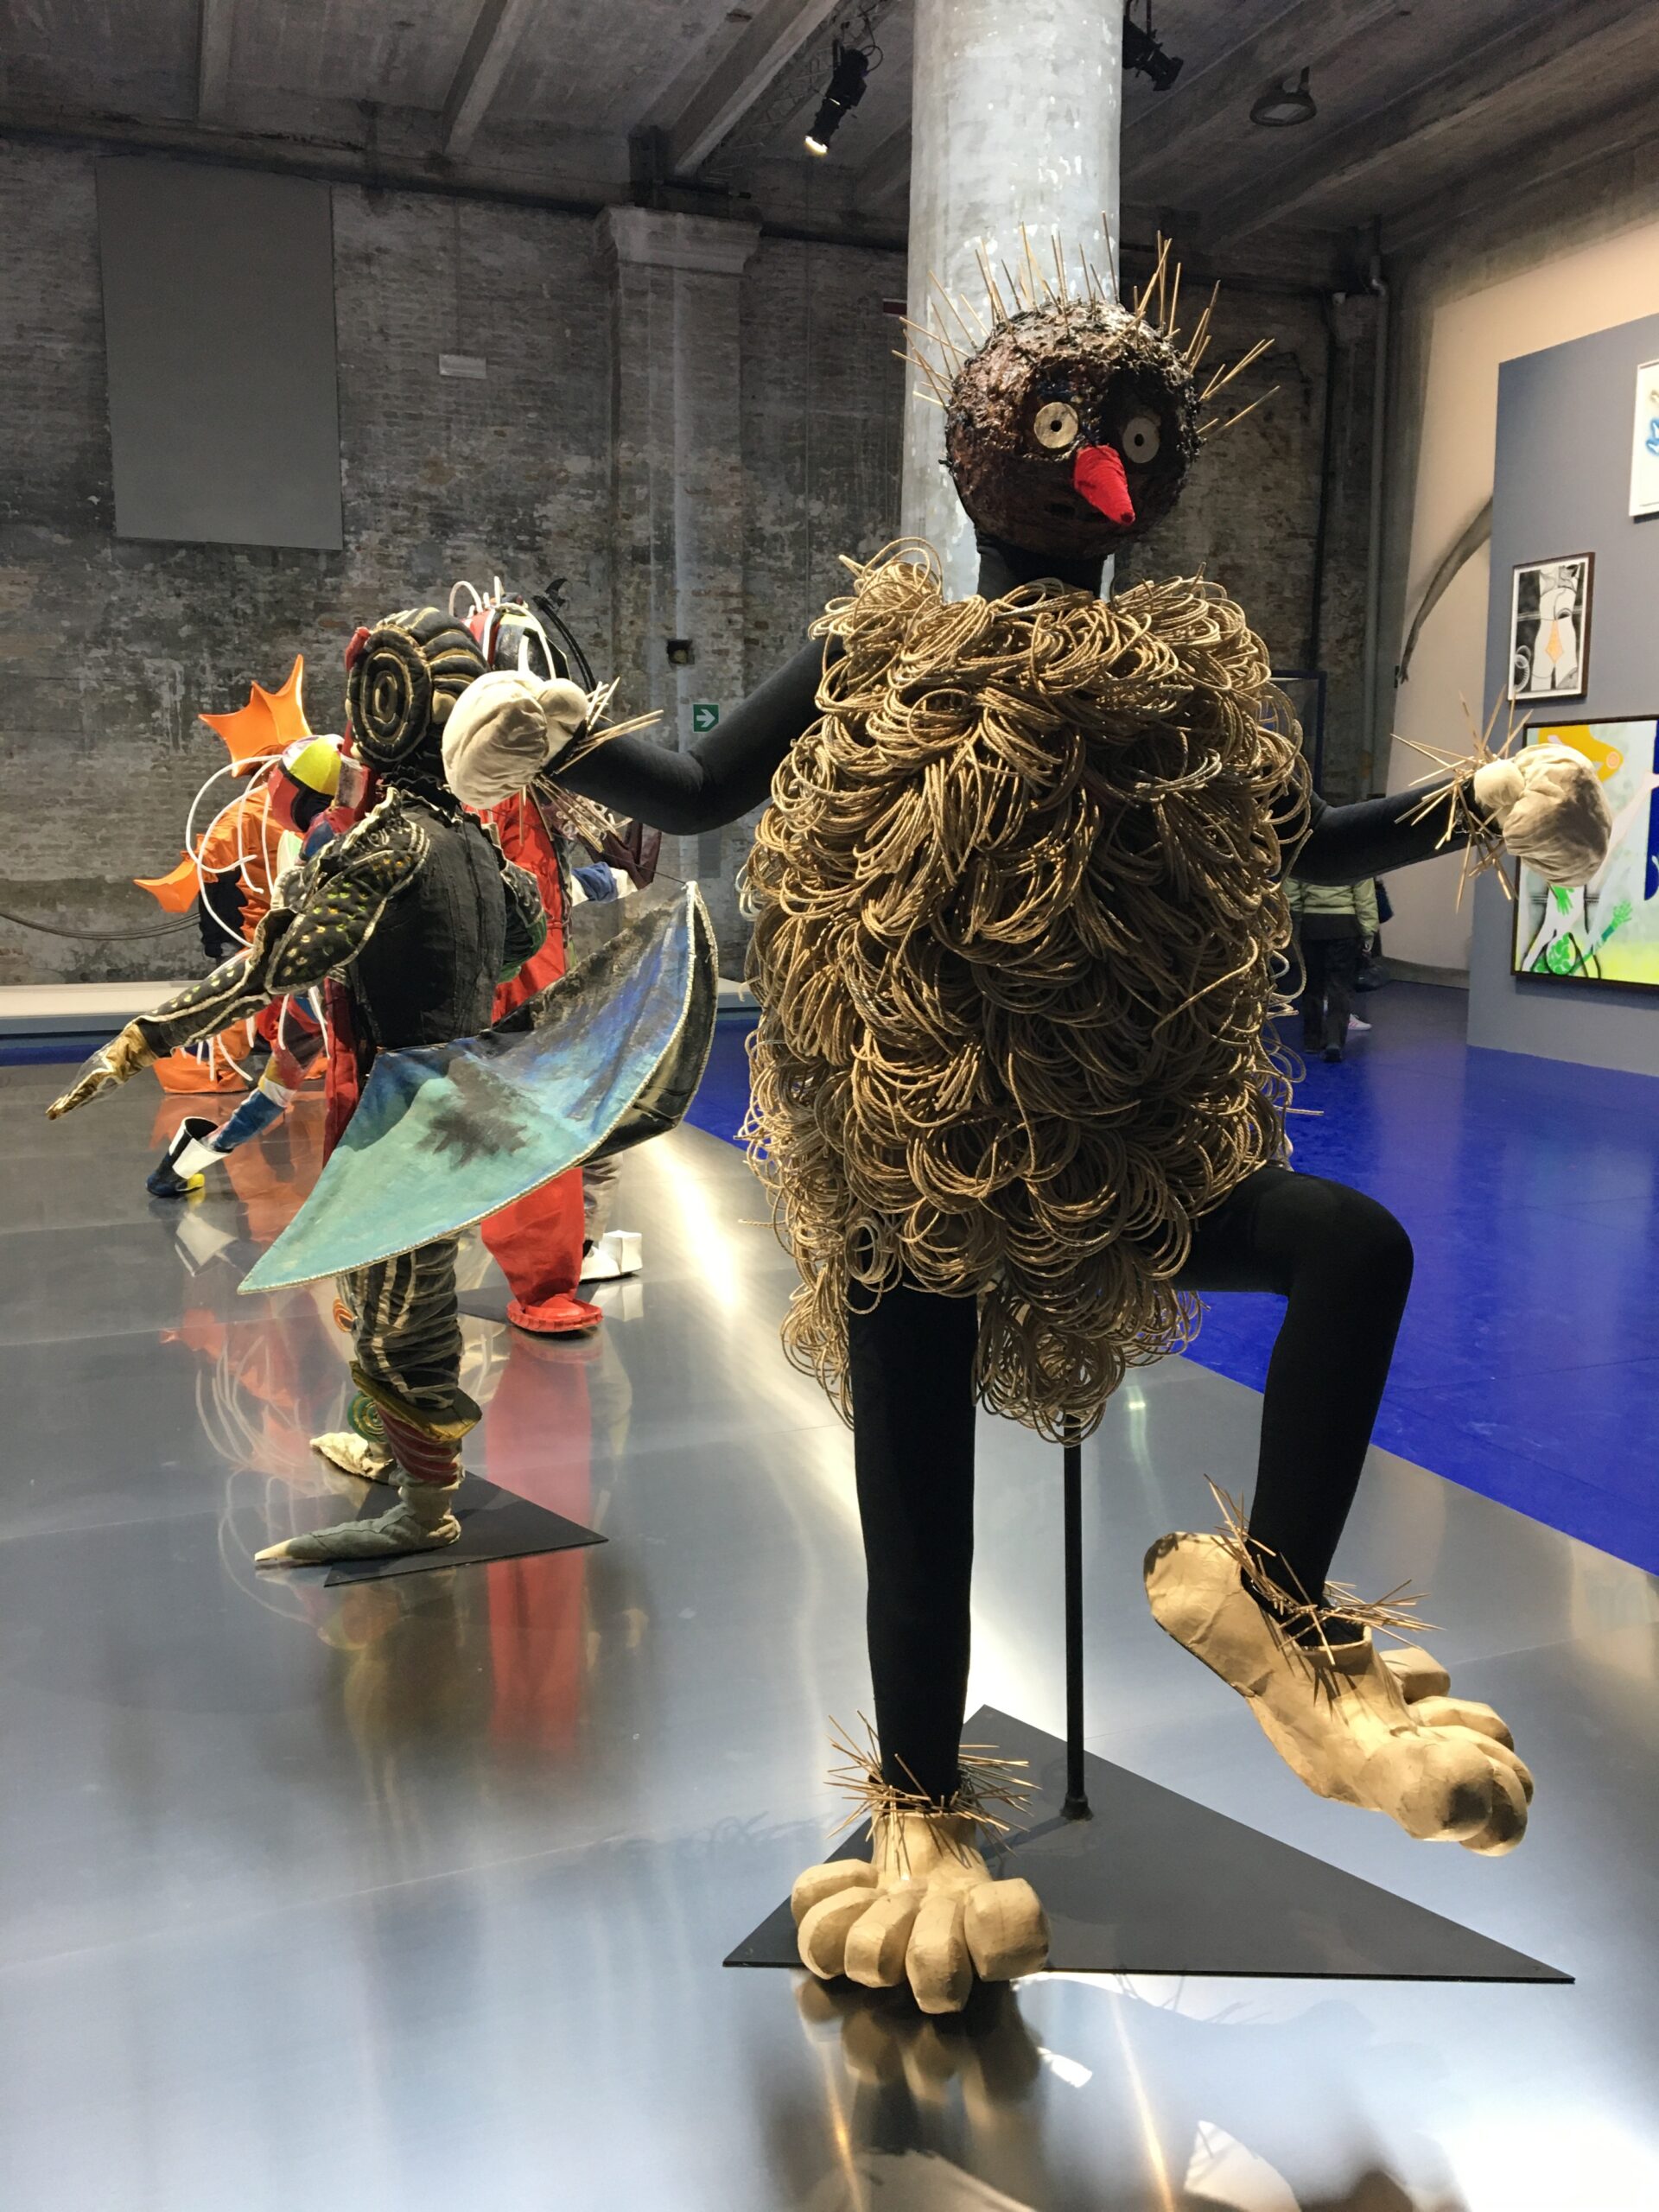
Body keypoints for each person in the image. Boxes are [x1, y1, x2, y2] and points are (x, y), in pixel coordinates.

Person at [445, 247, 1614, 2013]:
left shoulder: (1181, 681)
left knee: (1350, 1248)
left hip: (1115, 1160)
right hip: (916, 1173)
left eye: (1133, 438)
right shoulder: (877, 647)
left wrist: (1480, 805)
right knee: (917, 1503)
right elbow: (702, 790)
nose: (1102, 473)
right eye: (1069, 432)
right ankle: (918, 1822)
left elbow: (1298, 838)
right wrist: (563, 744)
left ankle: (1274, 1604)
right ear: (986, 445)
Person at [49, 607, 595, 1567]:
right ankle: (393, 1454)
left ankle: (424, 1510)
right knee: (402, 1295)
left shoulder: (389, 844)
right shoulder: (481, 848)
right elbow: (517, 945)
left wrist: (146, 1036)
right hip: (455, 1099)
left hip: (401, 1117)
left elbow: (274, 967)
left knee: (396, 1323)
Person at [1287, 873, 1378, 1062]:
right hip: (1345, 926)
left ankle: (1312, 1040)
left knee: (1312, 985)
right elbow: (1365, 899)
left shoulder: (1306, 858)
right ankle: (1334, 1041)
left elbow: (1291, 892)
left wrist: (1297, 919)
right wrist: (1368, 932)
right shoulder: (1357, 860)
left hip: (1312, 924)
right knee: (1340, 986)